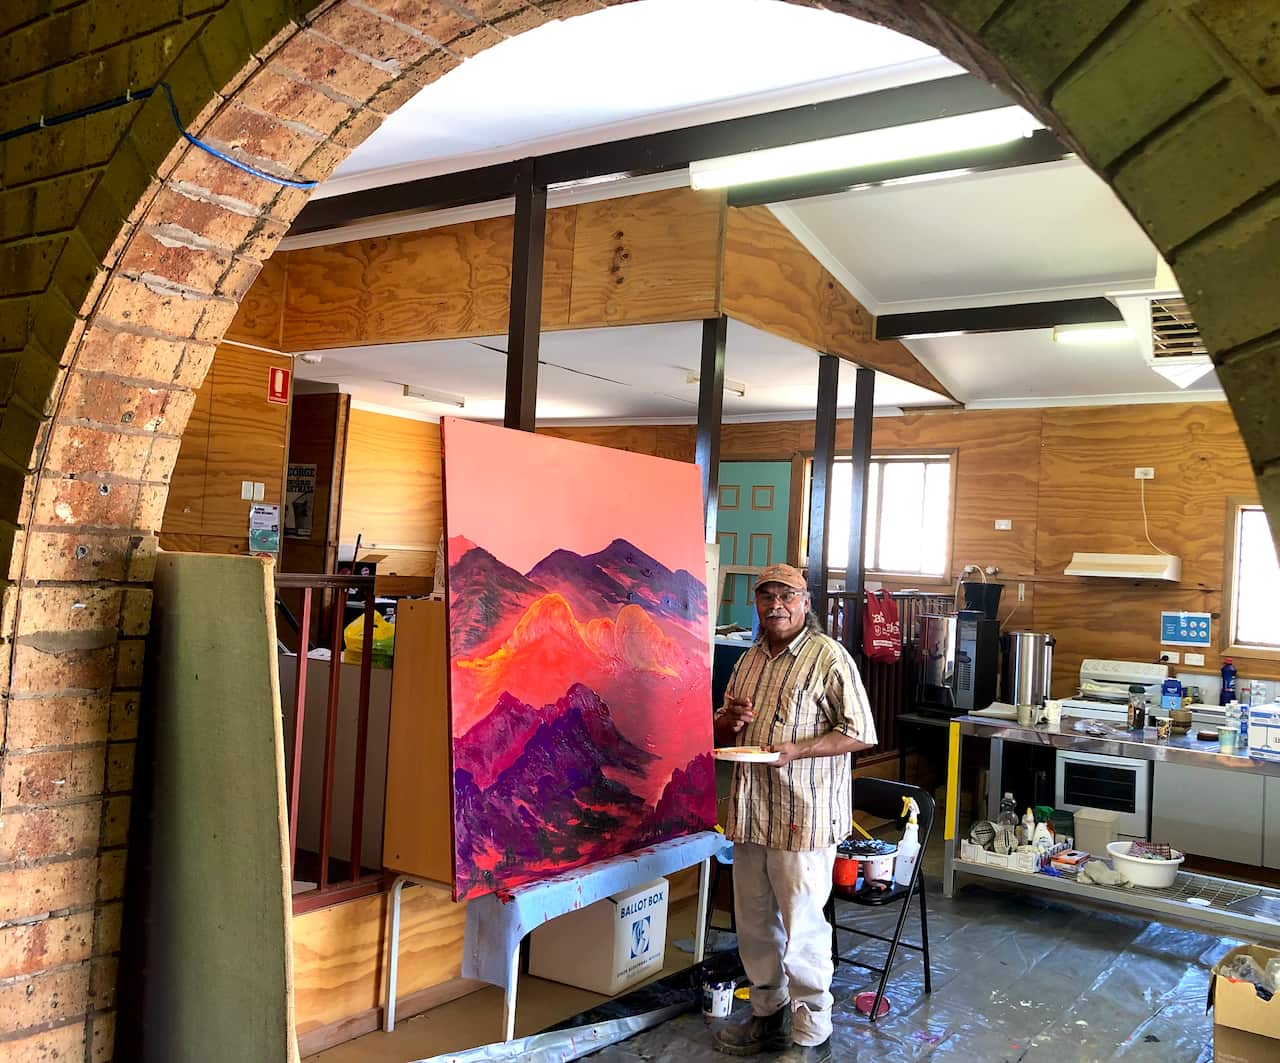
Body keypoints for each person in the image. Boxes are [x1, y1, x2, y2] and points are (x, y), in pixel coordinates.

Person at [713, 564, 877, 1063]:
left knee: (802, 927)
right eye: (766, 597)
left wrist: (797, 751)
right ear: (756, 606)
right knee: (755, 922)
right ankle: (768, 1015)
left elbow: (860, 732)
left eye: (787, 596)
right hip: (750, 811)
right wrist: (726, 721)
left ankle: (812, 1033)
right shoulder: (749, 660)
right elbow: (725, 733)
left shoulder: (829, 658)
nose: (775, 605)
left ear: (806, 603)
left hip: (802, 816)